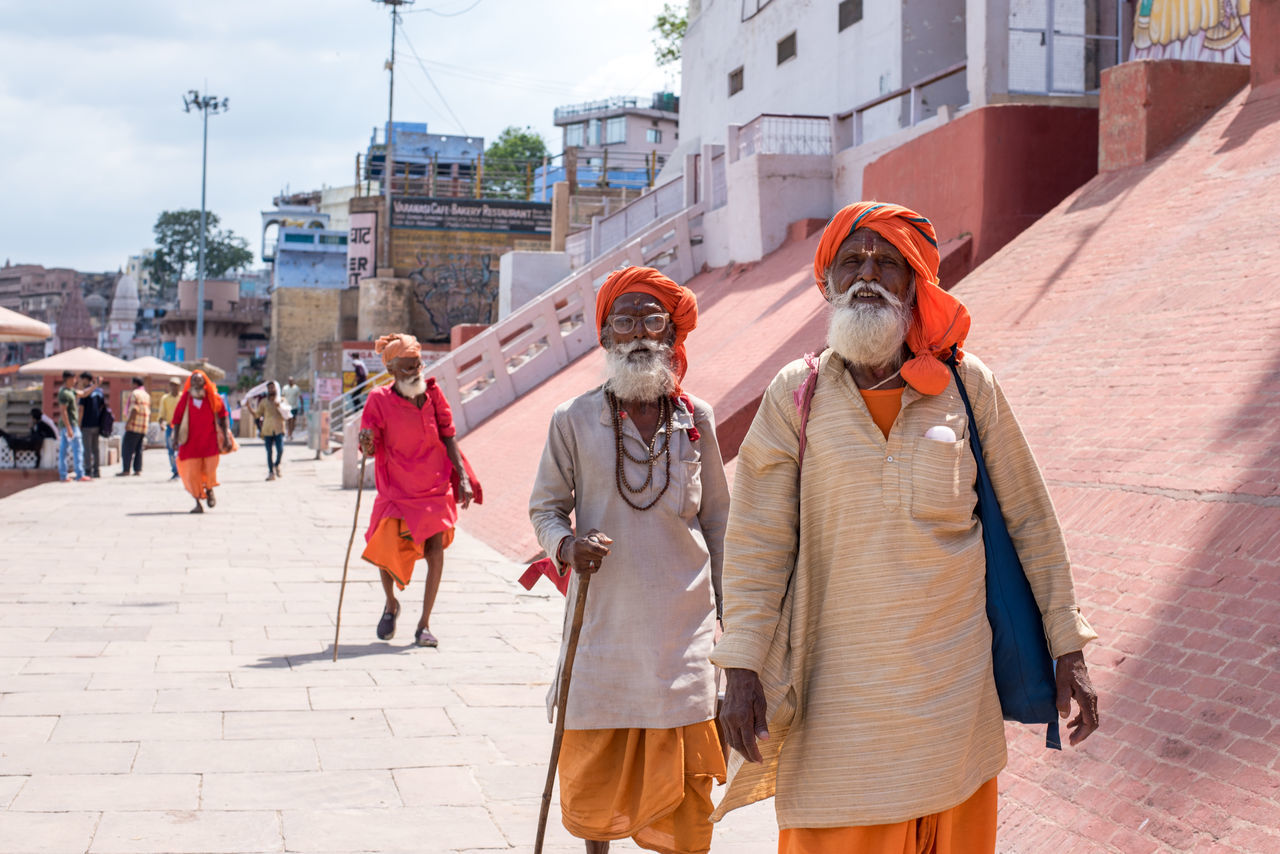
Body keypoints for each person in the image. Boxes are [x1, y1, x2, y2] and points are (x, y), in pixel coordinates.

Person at [711, 202, 1100, 853]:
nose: (868, 274)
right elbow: (757, 540)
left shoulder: (967, 386)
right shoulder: (795, 395)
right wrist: (741, 666)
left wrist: (1070, 645)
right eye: (852, 261)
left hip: (954, 710)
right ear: (829, 281)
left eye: (887, 262)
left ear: (915, 282)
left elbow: (1031, 518)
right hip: (838, 712)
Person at [528, 266, 730, 854]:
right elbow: (544, 508)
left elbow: (718, 521)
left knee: (688, 797)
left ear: (670, 335)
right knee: (599, 789)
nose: (639, 332)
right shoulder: (572, 419)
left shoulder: (699, 420)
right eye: (625, 320)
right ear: (605, 337)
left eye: (652, 321)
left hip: (685, 632)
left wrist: (736, 621)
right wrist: (566, 546)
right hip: (604, 631)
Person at [357, 333, 474, 649]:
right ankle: (391, 604)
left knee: (435, 552)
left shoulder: (434, 395)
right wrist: (367, 442)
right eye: (408, 368)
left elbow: (449, 435)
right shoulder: (378, 399)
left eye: (418, 365)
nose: (416, 372)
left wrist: (460, 477)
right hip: (397, 488)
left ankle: (424, 624)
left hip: (434, 485)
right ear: (393, 371)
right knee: (383, 547)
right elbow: (370, 441)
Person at [172, 369, 234, 513]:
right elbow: (177, 419)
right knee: (191, 472)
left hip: (209, 441)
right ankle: (197, 501)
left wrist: (226, 435)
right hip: (190, 443)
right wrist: (175, 439)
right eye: (194, 380)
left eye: (200, 380)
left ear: (205, 382)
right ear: (190, 382)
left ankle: (210, 489)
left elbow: (223, 415)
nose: (197, 383)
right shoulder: (186, 398)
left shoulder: (212, 397)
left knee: (210, 469)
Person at [247, 381, 287, 480]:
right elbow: (257, 414)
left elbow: (287, 414)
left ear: (276, 389)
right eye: (269, 388)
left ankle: (277, 464)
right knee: (269, 452)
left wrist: (280, 407)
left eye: (272, 388)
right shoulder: (264, 402)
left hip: (279, 428)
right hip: (267, 429)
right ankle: (271, 472)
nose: (271, 390)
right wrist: (249, 408)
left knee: (280, 450)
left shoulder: (282, 400)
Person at [55, 370, 88, 482]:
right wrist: (69, 428)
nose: (75, 381)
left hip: (68, 425)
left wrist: (95, 386)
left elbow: (83, 394)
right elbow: (63, 411)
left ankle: (64, 475)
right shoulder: (64, 393)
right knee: (77, 449)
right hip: (70, 425)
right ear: (68, 379)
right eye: (73, 379)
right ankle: (79, 474)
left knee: (64, 450)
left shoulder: (71, 391)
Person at [117, 376, 150, 477]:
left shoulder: (135, 394)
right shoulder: (146, 395)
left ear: (135, 384)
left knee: (127, 448)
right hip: (143, 426)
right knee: (138, 449)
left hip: (134, 426)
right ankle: (137, 469)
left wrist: (128, 423)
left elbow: (134, 409)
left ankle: (126, 470)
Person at [78, 373, 106, 478]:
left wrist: (78, 424)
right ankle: (97, 471)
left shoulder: (85, 392)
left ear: (85, 379)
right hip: (97, 424)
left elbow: (81, 409)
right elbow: (102, 407)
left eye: (81, 380)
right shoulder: (100, 392)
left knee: (87, 449)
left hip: (86, 424)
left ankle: (88, 470)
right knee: (95, 449)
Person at [157, 377, 182, 479]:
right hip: (170, 427)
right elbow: (161, 414)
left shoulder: (183, 397)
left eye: (175, 385)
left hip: (182, 427)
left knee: (182, 449)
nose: (173, 387)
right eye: (171, 384)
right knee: (171, 449)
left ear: (179, 386)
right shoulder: (165, 398)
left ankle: (182, 469)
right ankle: (175, 470)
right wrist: (161, 423)